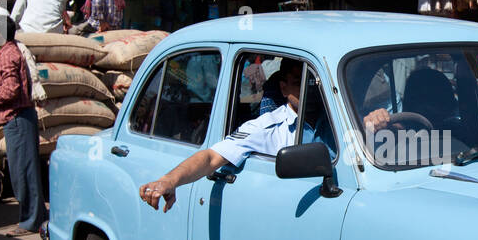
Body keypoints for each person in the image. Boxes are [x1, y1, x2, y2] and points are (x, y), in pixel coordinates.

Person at [139, 60, 389, 210]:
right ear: (283, 88)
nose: (308, 90)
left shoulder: (341, 117)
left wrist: (375, 125)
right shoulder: (268, 127)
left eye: (313, 82)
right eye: (298, 82)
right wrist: (170, 180)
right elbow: (212, 158)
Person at [0, 14, 46, 236]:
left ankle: (30, 222)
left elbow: (10, 90)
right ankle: (35, 217)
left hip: (17, 119)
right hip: (19, 117)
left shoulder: (7, 56)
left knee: (22, 172)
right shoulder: (11, 50)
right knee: (25, 171)